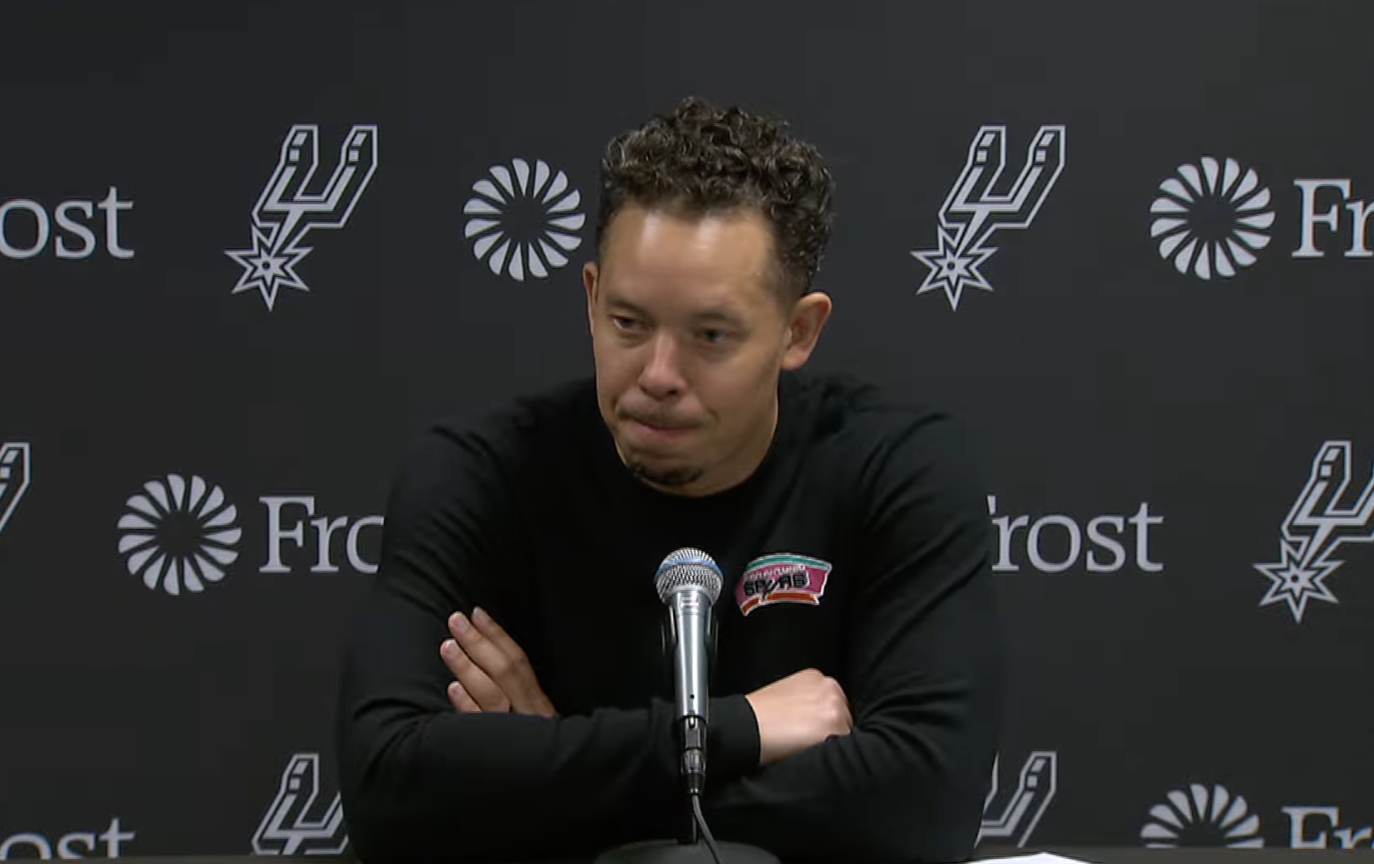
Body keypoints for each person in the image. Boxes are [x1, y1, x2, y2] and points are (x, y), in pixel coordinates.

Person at [335, 96, 1002, 864]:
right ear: (590, 298)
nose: (657, 375)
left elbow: (923, 809)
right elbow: (386, 791)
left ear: (798, 331)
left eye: (710, 335)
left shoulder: (899, 469)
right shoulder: (478, 475)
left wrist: (548, 773)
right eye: (628, 323)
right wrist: (738, 729)